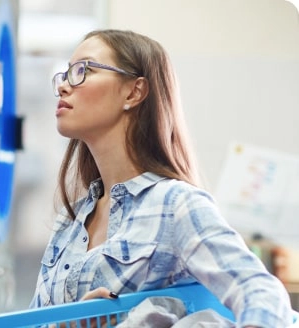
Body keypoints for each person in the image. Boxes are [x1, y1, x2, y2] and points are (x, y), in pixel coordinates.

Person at [29, 29, 294, 327]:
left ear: (134, 92)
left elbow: (263, 295)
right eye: (64, 75)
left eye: (83, 70)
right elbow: (32, 322)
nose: (64, 85)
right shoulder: (69, 220)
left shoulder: (176, 205)